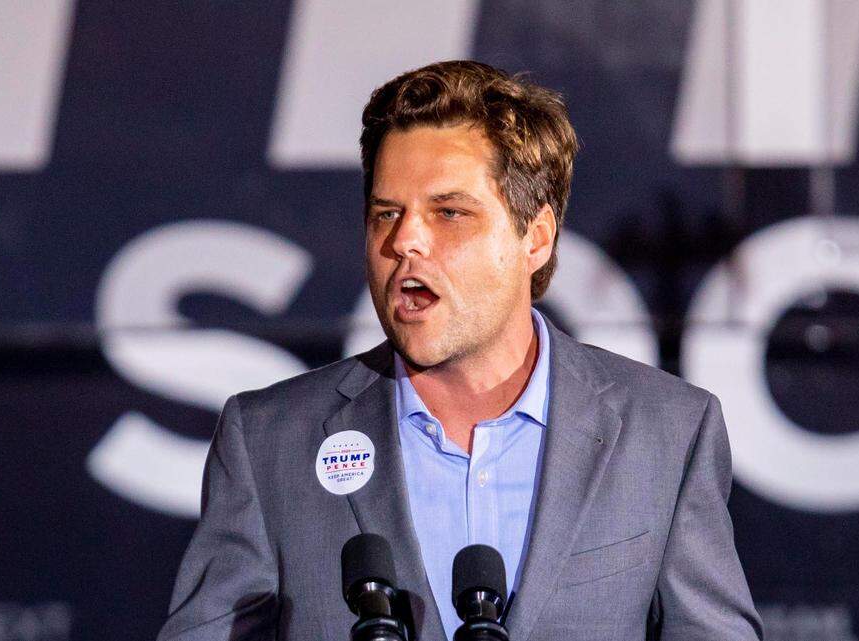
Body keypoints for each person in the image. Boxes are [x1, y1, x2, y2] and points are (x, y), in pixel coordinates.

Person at [157, 60, 763, 641]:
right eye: (386, 213)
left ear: (536, 238)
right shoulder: (269, 442)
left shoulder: (667, 431)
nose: (404, 240)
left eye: (449, 212)